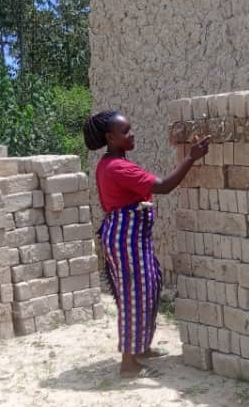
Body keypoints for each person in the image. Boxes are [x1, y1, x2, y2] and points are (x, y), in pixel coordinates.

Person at [83, 110, 209, 378]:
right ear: (110, 137)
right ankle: (128, 364)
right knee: (133, 296)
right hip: (125, 238)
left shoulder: (113, 163)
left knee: (149, 288)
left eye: (130, 129)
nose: (132, 134)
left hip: (133, 237)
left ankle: (141, 348)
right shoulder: (117, 167)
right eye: (125, 131)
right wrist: (191, 158)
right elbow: (162, 186)